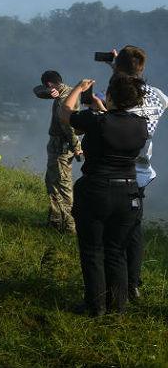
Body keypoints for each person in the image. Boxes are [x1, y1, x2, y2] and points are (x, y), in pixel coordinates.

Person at [59, 74, 148, 315]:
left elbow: (65, 113)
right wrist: (104, 111)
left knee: (92, 250)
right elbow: (118, 124)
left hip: (97, 190)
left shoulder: (96, 121)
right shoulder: (141, 125)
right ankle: (118, 307)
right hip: (129, 192)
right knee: (116, 250)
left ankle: (95, 306)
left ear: (109, 96)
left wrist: (78, 88)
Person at [102, 46, 168, 301]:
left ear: (118, 67)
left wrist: (115, 73)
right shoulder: (159, 96)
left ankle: (114, 291)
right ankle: (134, 284)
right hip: (141, 171)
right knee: (134, 227)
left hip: (114, 169)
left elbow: (107, 109)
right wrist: (121, 69)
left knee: (112, 233)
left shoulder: (116, 95)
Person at [34, 70, 82, 233]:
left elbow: (67, 127)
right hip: (60, 146)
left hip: (61, 146)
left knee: (62, 186)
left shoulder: (63, 98)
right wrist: (48, 92)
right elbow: (37, 91)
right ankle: (55, 221)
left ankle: (69, 227)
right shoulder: (67, 91)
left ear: (48, 83)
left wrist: (76, 147)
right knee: (53, 182)